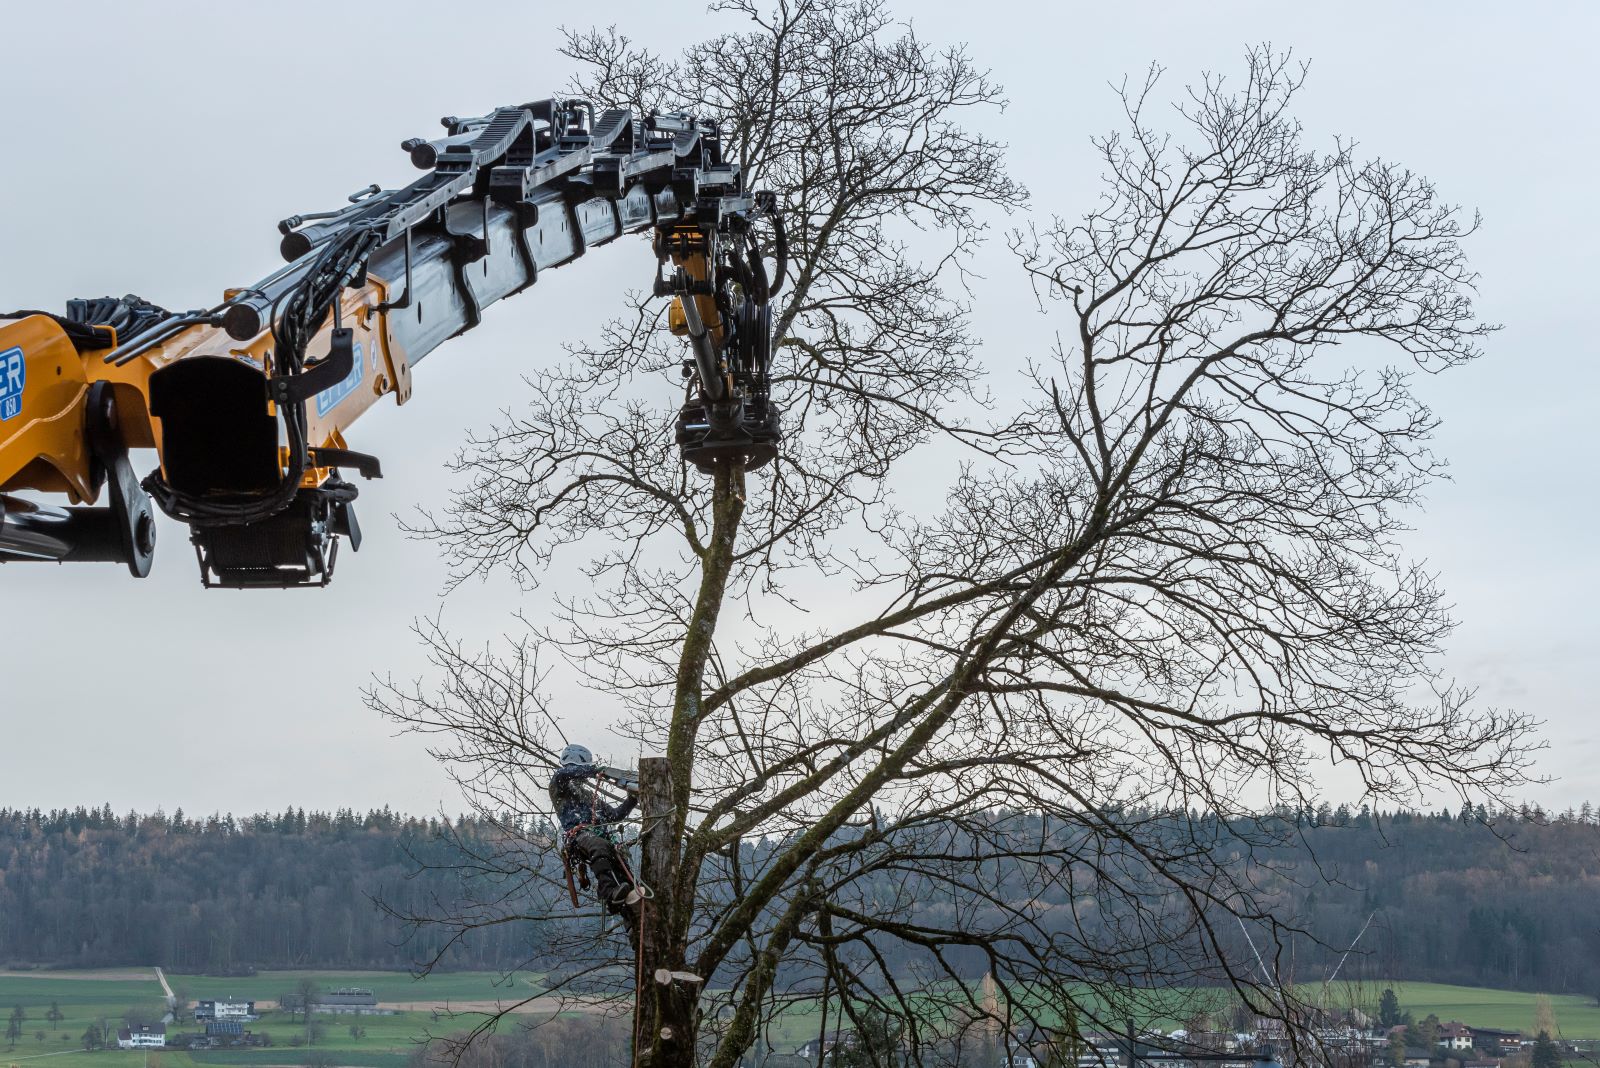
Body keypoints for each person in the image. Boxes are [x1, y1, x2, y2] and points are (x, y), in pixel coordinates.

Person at [548, 744, 642, 941]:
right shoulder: (559, 782)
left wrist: (632, 799)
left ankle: (635, 926)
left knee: (627, 876)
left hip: (600, 839)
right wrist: (598, 771)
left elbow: (615, 815)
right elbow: (568, 773)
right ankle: (608, 891)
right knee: (598, 845)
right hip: (579, 837)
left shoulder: (588, 796)